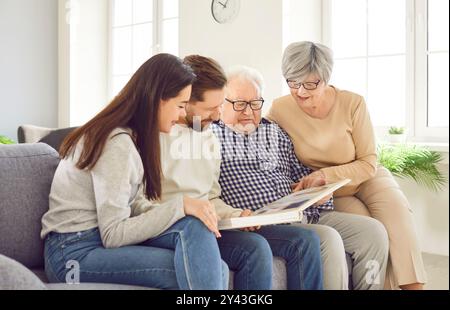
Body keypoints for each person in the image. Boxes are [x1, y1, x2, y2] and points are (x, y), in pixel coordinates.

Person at [41, 54, 230, 290]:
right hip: (71, 253)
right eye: (180, 105)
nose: (183, 115)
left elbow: (135, 203)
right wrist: (180, 205)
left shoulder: (134, 136)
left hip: (94, 240)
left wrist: (184, 209)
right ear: (158, 99)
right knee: (200, 267)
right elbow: (113, 233)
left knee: (208, 254)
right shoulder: (116, 143)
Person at [212, 65, 389, 290]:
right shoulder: (211, 137)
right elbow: (208, 193)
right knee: (328, 239)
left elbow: (300, 176)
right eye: (239, 104)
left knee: (373, 232)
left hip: (302, 213)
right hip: (261, 224)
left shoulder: (276, 131)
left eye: (255, 104)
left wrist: (317, 189)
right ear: (221, 103)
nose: (248, 112)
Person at [267, 41, 427, 290]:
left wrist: (326, 172)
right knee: (374, 234)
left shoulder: (353, 103)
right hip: (330, 191)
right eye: (293, 83)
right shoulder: (279, 109)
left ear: (326, 78)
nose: (300, 92)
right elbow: (254, 131)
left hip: (367, 176)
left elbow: (368, 162)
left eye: (310, 84)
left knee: (400, 224)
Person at [156, 55, 323, 290]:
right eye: (212, 108)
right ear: (186, 101)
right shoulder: (159, 136)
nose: (217, 117)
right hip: (180, 226)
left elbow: (211, 197)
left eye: (219, 106)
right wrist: (187, 208)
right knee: (254, 248)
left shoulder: (206, 135)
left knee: (297, 241)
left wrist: (238, 215)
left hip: (210, 224)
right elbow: (147, 203)